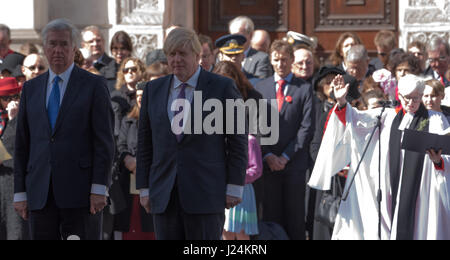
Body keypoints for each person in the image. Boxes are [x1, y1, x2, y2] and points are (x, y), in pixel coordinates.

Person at [136, 27, 247, 240]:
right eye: (172, 54)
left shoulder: (222, 87)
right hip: (164, 194)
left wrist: (234, 186)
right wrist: (144, 187)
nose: (176, 59)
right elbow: (145, 142)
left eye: (182, 54)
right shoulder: (153, 89)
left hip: (206, 193)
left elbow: (237, 139)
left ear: (197, 56)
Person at [309, 73, 450, 240]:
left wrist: (438, 161)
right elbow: (356, 121)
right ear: (399, 96)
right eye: (407, 98)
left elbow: (445, 152)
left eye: (416, 98)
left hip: (422, 188)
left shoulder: (435, 119)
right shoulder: (387, 117)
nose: (411, 103)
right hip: (392, 186)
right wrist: (341, 102)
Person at [13, 19, 115, 240]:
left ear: (74, 48)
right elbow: (22, 144)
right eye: (52, 44)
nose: (57, 50)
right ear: (45, 48)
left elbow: (104, 142)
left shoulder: (94, 85)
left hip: (81, 193)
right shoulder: (31, 88)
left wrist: (99, 187)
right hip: (40, 193)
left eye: (63, 44)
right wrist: (20, 191)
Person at [255, 39, 314, 240]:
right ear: (271, 60)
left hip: (294, 165)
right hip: (268, 165)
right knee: (271, 217)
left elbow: (306, 128)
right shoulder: (260, 89)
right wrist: (269, 155)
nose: (281, 64)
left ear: (292, 61)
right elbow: (255, 125)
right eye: (277, 59)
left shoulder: (304, 88)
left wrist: (286, 156)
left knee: (295, 218)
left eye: (285, 60)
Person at [213, 61, 262, 240]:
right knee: (224, 231)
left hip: (242, 188)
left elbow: (255, 167)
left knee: (241, 233)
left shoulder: (251, 100)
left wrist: (235, 178)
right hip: (218, 187)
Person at [114, 83, 155, 240]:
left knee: (150, 229)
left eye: (143, 96)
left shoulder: (160, 121)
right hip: (129, 185)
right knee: (130, 228)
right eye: (137, 96)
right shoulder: (128, 120)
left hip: (152, 183)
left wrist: (143, 163)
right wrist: (127, 158)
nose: (140, 99)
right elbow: (120, 144)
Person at [0, 77, 28, 240]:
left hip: (16, 187)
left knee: (16, 233)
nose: (11, 102)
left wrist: (14, 121)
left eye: (15, 97)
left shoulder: (25, 117)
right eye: (6, 98)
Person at [229, 16, 273, 80]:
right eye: (232, 35)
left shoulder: (261, 58)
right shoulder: (224, 56)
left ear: (251, 35)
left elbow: (262, 84)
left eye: (238, 35)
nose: (234, 39)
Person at [81, 25, 117, 92]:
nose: (95, 44)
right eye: (91, 41)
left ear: (103, 41)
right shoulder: (77, 67)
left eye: (98, 40)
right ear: (83, 45)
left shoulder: (115, 66)